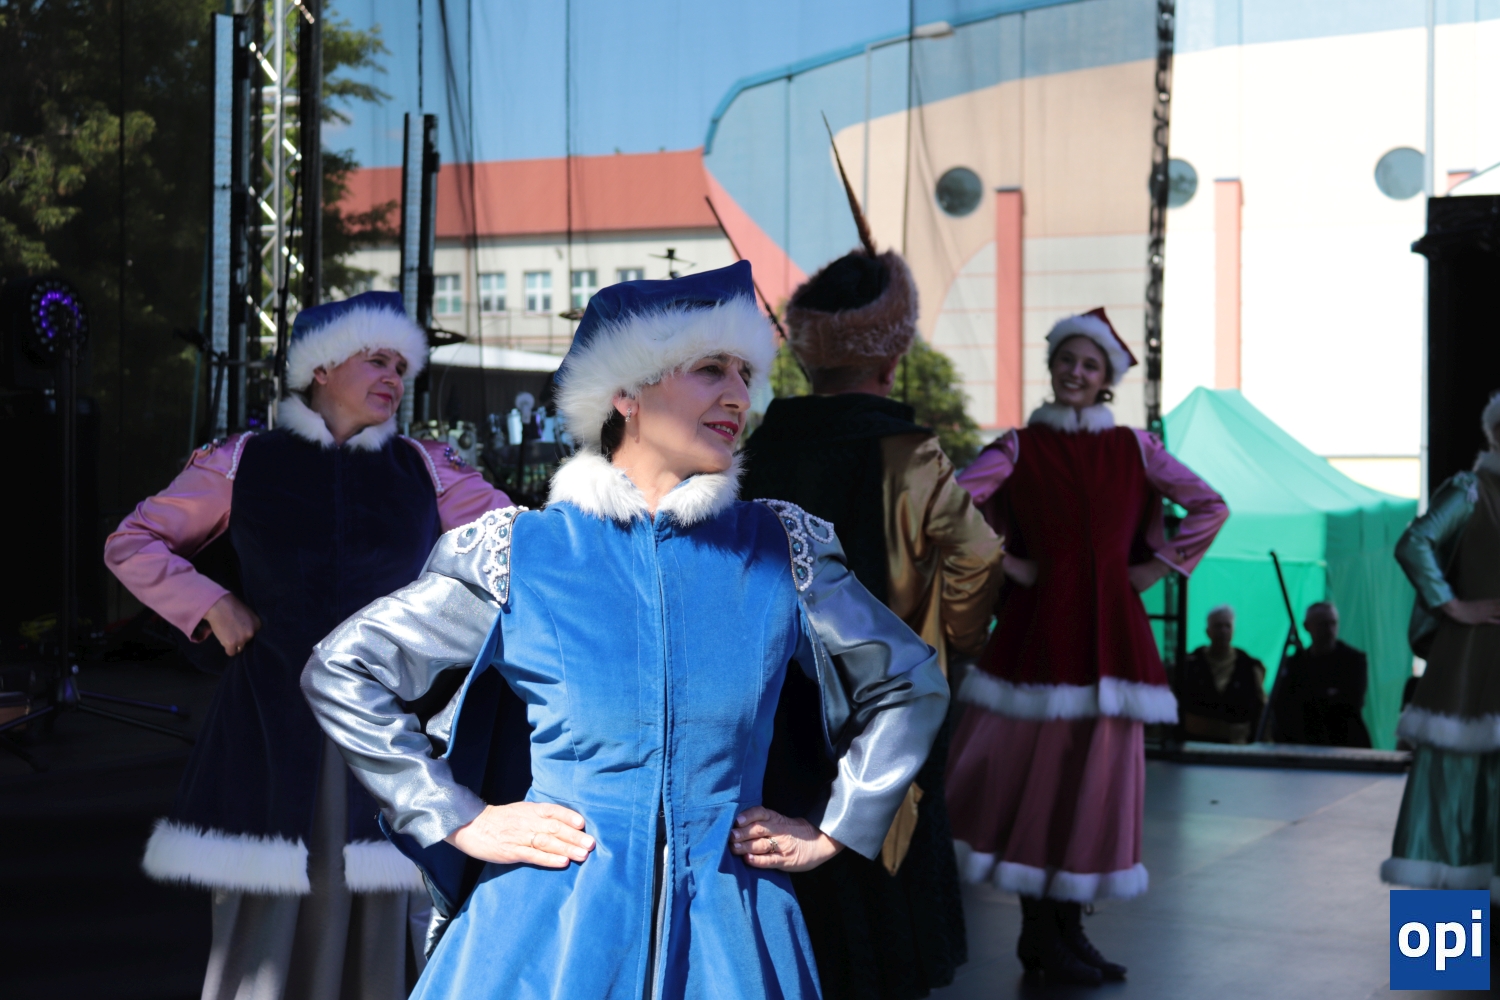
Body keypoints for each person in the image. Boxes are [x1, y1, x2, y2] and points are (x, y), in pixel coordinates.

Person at [300, 261, 950, 1000]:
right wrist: (454, 817)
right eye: (710, 369)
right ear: (626, 392)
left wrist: (835, 824)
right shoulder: (525, 553)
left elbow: (910, 682)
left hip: (732, 941)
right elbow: (343, 669)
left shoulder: (780, 551)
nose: (740, 395)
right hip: (543, 945)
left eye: (744, 372)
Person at [104, 292, 512, 1000]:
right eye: (376, 360)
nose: (393, 377)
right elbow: (132, 542)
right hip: (272, 720)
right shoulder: (243, 461)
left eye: (401, 366)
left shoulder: (427, 468)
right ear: (321, 366)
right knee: (266, 924)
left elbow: (518, 545)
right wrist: (210, 604)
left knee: (387, 920)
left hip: (388, 726)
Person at [740, 247, 1002, 999]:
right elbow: (978, 555)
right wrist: (953, 643)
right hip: (889, 697)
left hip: (777, 700)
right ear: (891, 358)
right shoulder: (910, 452)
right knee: (887, 861)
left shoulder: (759, 448)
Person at [943, 308, 1228, 985]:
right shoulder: (1018, 447)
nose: (1075, 371)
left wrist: (1158, 567)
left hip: (1113, 638)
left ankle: (1068, 930)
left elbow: (1210, 504)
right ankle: (1040, 933)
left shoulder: (1136, 448)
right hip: (1039, 637)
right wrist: (1008, 563)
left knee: (1094, 790)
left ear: (1106, 380)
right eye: (1066, 359)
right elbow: (948, 505)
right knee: (1040, 785)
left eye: (1089, 364)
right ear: (1051, 368)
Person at [1382, 391, 1500, 894]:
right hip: (1471, 666)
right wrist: (1452, 604)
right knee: (1448, 793)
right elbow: (1414, 542)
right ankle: (1440, 942)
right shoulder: (1472, 490)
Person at [1270, 602, 1371, 747]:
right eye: (1323, 624)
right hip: (1303, 745)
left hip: (1344, 744)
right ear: (1307, 626)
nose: (1329, 630)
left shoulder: (1353, 660)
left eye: (1333, 623)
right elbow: (1283, 705)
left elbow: (1351, 703)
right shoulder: (1295, 664)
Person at [1173, 605, 1267, 744]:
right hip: (1195, 745)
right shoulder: (1190, 665)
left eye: (1227, 626)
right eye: (1218, 626)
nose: (1223, 631)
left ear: (1233, 630)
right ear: (1208, 631)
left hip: (1238, 747)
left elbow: (1262, 708)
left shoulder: (1249, 666)